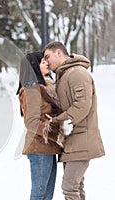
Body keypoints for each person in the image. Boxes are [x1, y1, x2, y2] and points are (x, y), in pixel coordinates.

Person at [43, 41, 105, 200]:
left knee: (69, 188)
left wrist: (58, 120)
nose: (46, 62)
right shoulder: (64, 75)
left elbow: (82, 106)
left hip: (81, 140)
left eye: (47, 56)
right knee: (76, 187)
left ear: (58, 53)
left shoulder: (76, 73)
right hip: (72, 141)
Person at [16, 52, 64, 200]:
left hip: (48, 147)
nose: (47, 64)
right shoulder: (31, 89)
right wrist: (54, 128)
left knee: (47, 194)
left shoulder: (43, 87)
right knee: (39, 194)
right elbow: (31, 122)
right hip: (39, 148)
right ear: (34, 67)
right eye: (43, 62)